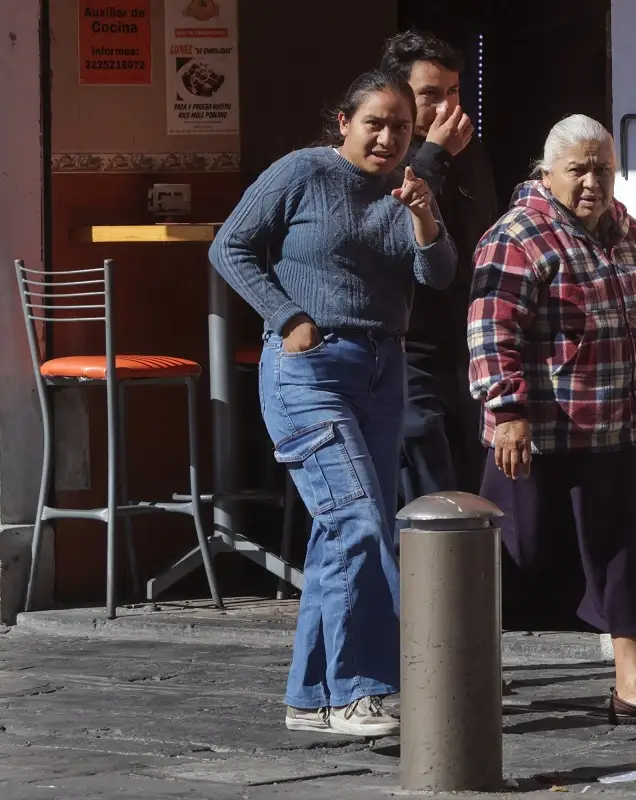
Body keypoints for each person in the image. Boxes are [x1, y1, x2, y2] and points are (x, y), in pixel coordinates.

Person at [209, 69, 456, 736]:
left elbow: (438, 275)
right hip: (309, 371)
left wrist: (425, 216)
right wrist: (287, 315)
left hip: (384, 371)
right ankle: (361, 691)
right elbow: (229, 246)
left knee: (338, 532)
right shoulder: (301, 173)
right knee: (356, 523)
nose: (386, 137)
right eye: (374, 122)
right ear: (343, 122)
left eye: (401, 128)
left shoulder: (407, 190)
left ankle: (311, 697)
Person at [468, 114, 636, 725]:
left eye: (602, 168)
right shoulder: (518, 236)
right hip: (540, 433)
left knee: (625, 556)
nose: (591, 181)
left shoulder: (634, 237)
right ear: (547, 172)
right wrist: (506, 412)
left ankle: (632, 687)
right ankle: (466, 675)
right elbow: (490, 329)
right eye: (577, 169)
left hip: (623, 426)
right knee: (512, 554)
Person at [381, 30, 499, 503]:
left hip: (468, 347)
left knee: (474, 489)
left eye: (453, 92)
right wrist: (432, 155)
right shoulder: (383, 155)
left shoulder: (470, 156)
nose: (446, 108)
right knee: (425, 493)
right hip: (411, 352)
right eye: (430, 95)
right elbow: (393, 233)